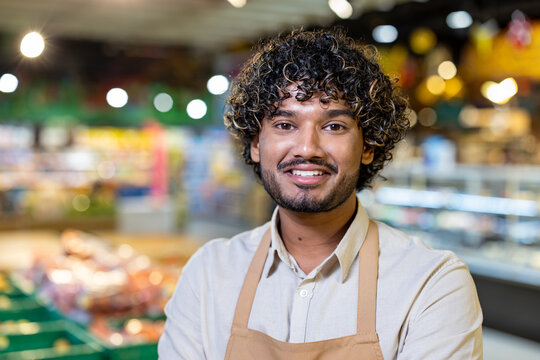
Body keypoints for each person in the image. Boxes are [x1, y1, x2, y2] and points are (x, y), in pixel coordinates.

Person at [158, 28, 483, 359]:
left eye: (334, 126)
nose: (307, 148)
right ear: (256, 144)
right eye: (285, 124)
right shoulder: (208, 274)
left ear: (368, 145)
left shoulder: (432, 284)